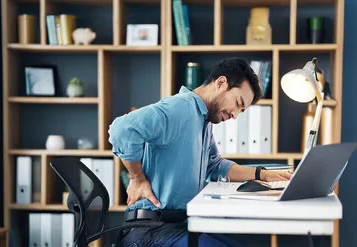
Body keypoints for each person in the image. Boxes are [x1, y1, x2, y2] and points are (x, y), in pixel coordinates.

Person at [108, 58, 291, 247]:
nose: (235, 115)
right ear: (221, 83)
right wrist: (137, 178)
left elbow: (215, 165)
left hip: (175, 226)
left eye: (241, 111)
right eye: (237, 103)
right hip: (149, 231)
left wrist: (263, 174)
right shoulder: (180, 109)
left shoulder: (202, 119)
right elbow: (121, 129)